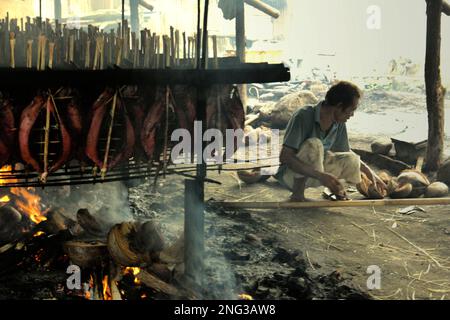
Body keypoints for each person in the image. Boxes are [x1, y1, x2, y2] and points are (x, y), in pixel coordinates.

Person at [274, 81, 386, 202]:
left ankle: (343, 189)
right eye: (351, 110)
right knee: (314, 144)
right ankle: (297, 195)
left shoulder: (339, 122)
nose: (352, 114)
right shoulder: (303, 116)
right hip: (291, 175)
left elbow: (346, 152)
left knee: (352, 159)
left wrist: (371, 173)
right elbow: (285, 157)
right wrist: (320, 176)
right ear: (339, 106)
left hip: (317, 172)